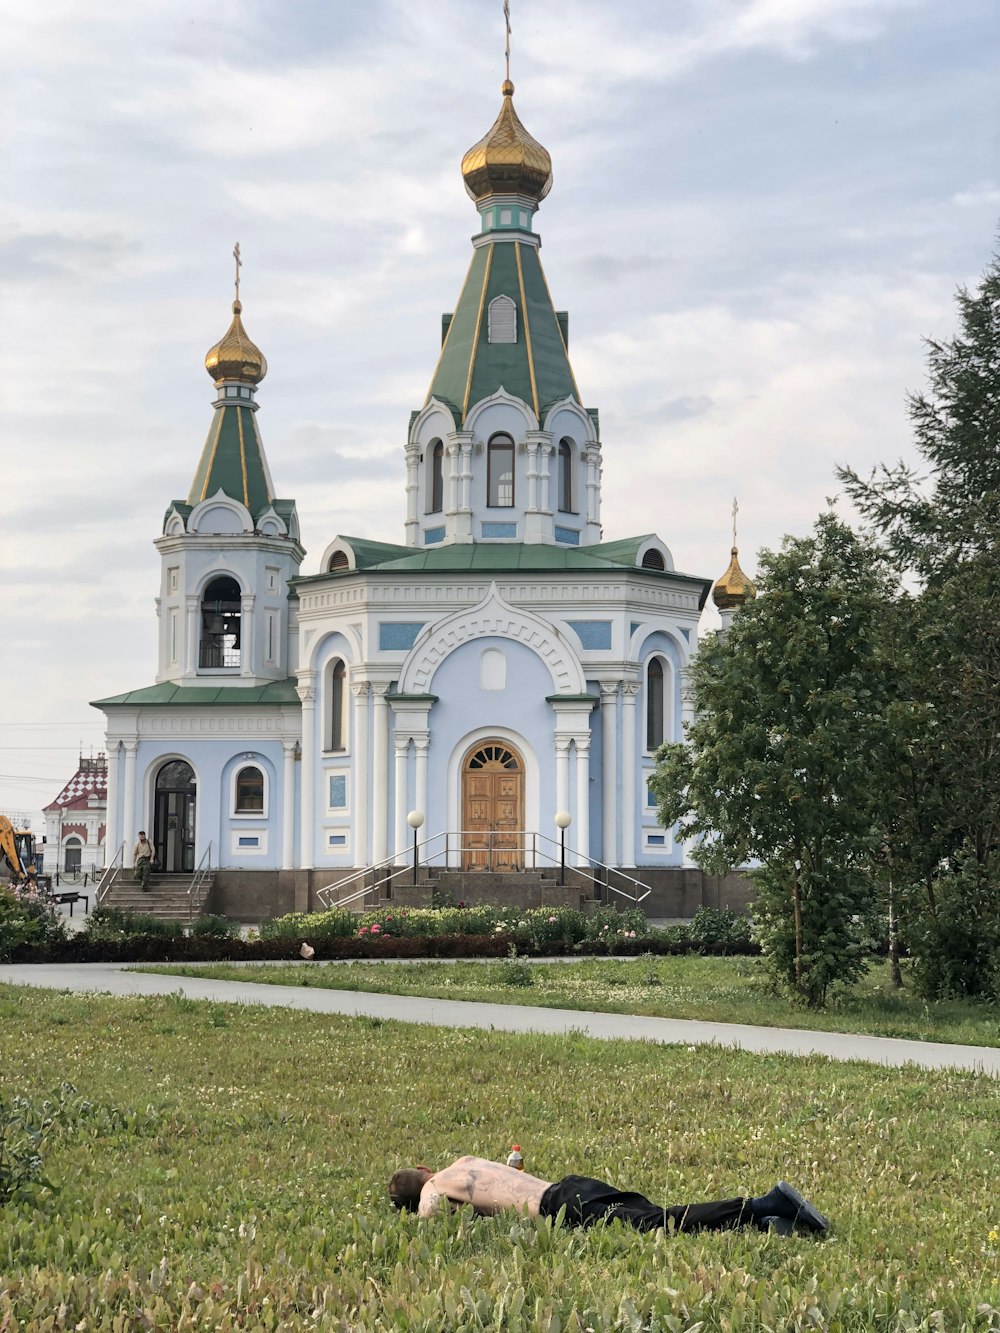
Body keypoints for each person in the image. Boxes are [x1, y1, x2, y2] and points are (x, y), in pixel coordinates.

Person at [388, 1156, 828, 1238]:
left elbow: (431, 1217)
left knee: (663, 1224)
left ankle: (765, 1204)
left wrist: (419, 1218)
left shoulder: (433, 1189)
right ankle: (765, 1223)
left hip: (561, 1209)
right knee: (654, 1213)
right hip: (571, 1185)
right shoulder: (463, 1160)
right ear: (424, 1166)